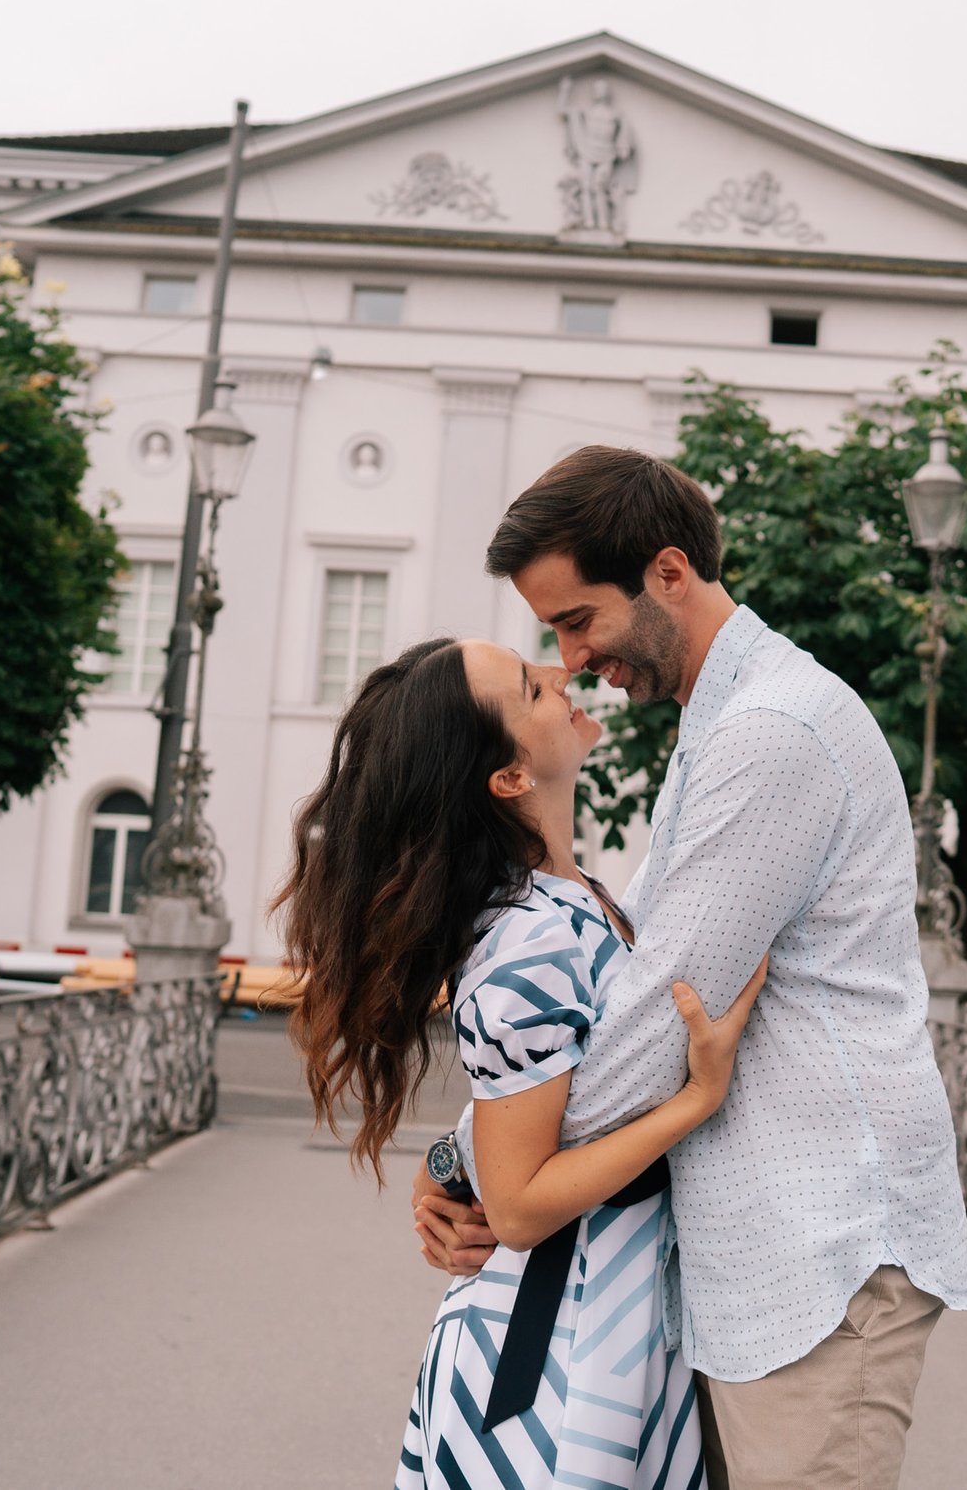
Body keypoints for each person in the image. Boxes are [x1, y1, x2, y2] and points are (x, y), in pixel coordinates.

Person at [412, 446, 967, 1490]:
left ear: (666, 571)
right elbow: (643, 996)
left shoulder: (768, 732)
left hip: (818, 1249)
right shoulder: (726, 719)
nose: (574, 660)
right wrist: (480, 1145)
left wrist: (478, 1164)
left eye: (579, 621)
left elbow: (654, 1024)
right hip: (773, 1250)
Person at [279, 635, 769, 1490]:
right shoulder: (532, 936)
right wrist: (696, 1099)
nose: (562, 675)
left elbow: (557, 1109)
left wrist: (446, 1161)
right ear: (508, 777)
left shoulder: (570, 902)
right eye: (531, 688)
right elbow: (518, 1206)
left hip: (598, 1323)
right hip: (565, 1357)